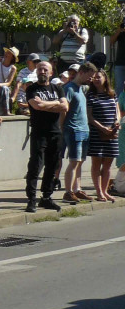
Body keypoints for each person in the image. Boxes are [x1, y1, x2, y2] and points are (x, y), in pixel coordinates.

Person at [24, 61, 67, 212]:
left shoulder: (57, 88)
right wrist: (55, 105)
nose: (42, 72)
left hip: (55, 132)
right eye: (39, 69)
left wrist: (46, 104)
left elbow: (65, 107)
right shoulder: (31, 89)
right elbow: (37, 106)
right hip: (39, 133)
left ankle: (47, 197)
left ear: (51, 72)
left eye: (45, 69)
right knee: (35, 165)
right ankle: (31, 199)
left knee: (53, 165)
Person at [62, 61, 95, 203]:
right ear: (81, 72)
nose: (91, 79)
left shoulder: (81, 89)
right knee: (74, 161)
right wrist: (61, 127)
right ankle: (68, 192)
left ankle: (77, 189)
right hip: (73, 129)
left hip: (84, 129)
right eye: (89, 76)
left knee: (80, 162)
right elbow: (63, 109)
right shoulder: (69, 88)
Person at [87, 69, 119, 202]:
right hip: (97, 133)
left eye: (98, 77)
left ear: (105, 78)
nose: (96, 79)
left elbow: (116, 110)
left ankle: (105, 191)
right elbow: (89, 116)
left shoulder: (112, 94)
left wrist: (116, 121)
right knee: (97, 163)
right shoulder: (90, 95)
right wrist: (102, 128)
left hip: (111, 132)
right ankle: (99, 191)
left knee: (108, 164)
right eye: (94, 77)